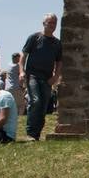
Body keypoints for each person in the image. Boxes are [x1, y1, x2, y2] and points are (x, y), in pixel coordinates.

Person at [21, 13, 63, 142]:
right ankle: (31, 133)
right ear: (44, 23)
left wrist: (56, 76)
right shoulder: (34, 38)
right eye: (49, 22)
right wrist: (21, 72)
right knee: (36, 101)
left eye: (54, 23)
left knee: (44, 105)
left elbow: (59, 62)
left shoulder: (57, 43)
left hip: (47, 78)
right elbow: (24, 56)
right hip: (32, 75)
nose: (52, 25)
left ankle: (36, 134)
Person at [3, 52, 23, 132]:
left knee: (11, 105)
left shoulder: (8, 65)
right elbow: (21, 76)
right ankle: (20, 118)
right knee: (21, 105)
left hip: (7, 88)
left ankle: (11, 117)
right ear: (17, 58)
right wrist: (22, 86)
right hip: (15, 87)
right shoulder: (18, 66)